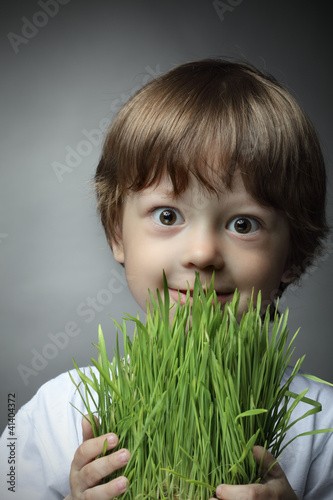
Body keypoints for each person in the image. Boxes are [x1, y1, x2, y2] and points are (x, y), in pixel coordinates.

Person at [1, 59, 332, 499]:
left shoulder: (322, 426)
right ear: (118, 234)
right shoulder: (56, 412)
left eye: (244, 224)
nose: (201, 254)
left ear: (293, 253)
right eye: (168, 215)